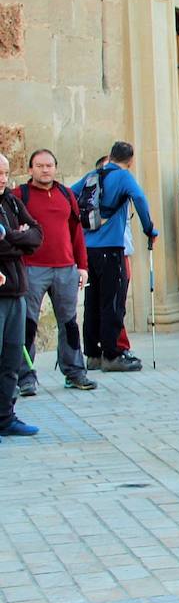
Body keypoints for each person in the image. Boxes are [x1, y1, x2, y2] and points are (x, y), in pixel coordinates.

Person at [17, 149, 97, 394]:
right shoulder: (20, 195)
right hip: (31, 268)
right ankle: (25, 377)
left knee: (69, 323)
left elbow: (76, 233)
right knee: (27, 324)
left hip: (65, 268)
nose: (45, 170)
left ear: (55, 167)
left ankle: (74, 372)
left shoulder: (66, 194)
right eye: (39, 166)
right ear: (30, 169)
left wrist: (82, 266)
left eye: (49, 165)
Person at [81, 142, 157, 372]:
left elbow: (71, 195)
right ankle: (111, 355)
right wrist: (149, 229)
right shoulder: (123, 177)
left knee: (92, 301)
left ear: (112, 155)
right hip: (111, 248)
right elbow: (140, 199)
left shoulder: (93, 175)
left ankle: (92, 354)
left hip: (88, 248)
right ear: (130, 160)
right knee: (112, 302)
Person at [0, 155, 43, 436]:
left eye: (5, 173)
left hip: (17, 291)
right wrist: (19, 239)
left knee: (12, 358)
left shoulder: (12, 201)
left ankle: (5, 418)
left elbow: (37, 235)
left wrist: (10, 237)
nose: (3, 179)